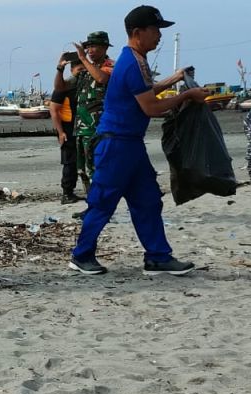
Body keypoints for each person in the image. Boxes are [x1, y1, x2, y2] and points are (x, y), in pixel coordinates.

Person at [68, 6, 208, 277]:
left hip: (131, 144)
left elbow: (146, 91)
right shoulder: (132, 62)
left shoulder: (135, 59)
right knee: (103, 202)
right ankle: (81, 255)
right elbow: (151, 108)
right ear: (137, 32)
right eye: (156, 30)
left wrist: (176, 81)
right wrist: (187, 95)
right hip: (116, 144)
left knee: (148, 201)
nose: (159, 36)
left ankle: (158, 257)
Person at [55, 32, 116, 193]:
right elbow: (60, 88)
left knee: (98, 168)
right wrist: (60, 69)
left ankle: (100, 205)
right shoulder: (84, 71)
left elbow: (102, 79)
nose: (89, 50)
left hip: (100, 128)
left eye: (93, 46)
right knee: (83, 170)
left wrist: (83, 59)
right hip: (82, 128)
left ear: (104, 47)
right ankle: (92, 204)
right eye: (87, 47)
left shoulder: (110, 65)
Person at [49, 59, 83, 204]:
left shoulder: (83, 86)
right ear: (72, 70)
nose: (82, 73)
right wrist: (60, 132)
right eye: (79, 70)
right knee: (70, 162)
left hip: (82, 128)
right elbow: (54, 110)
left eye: (85, 70)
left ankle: (73, 192)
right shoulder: (64, 87)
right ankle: (67, 194)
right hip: (67, 129)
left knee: (80, 161)